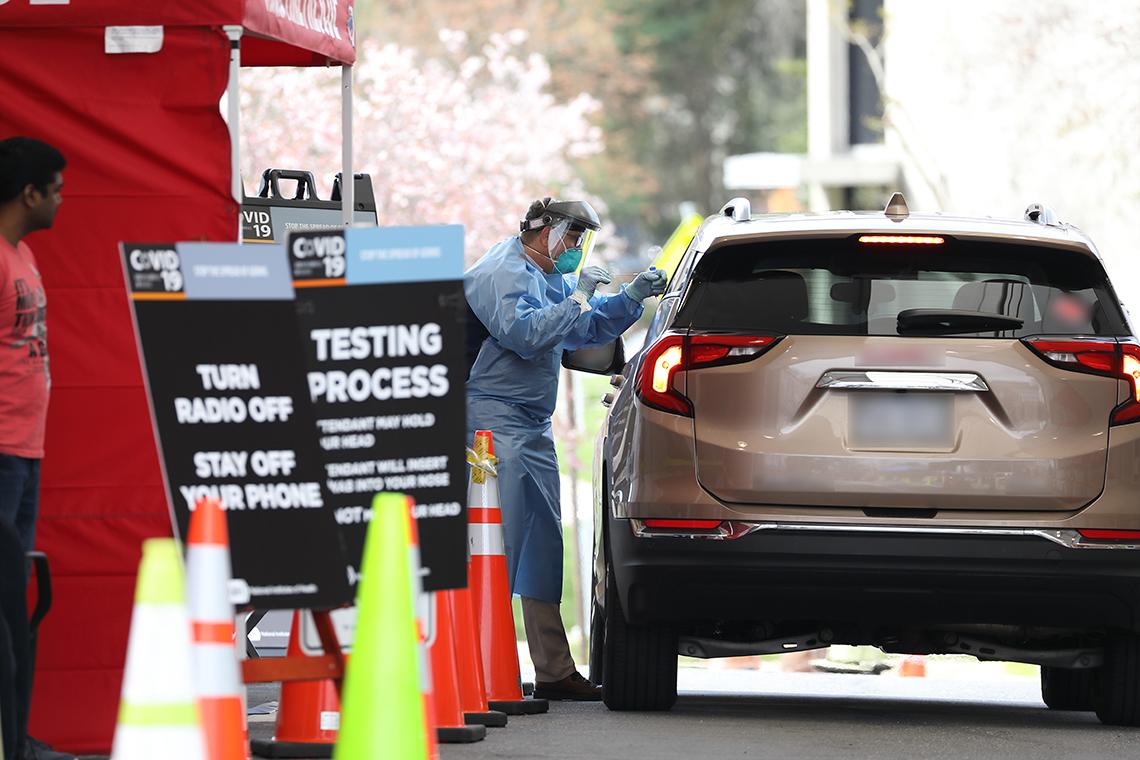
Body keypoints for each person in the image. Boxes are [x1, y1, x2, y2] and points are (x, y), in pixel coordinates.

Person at [465, 197, 667, 700]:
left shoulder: (547, 272)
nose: (578, 248)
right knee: (496, 543)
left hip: (531, 424)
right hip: (488, 424)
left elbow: (582, 328)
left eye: (582, 239)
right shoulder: (502, 270)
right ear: (545, 230)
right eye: (573, 237)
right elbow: (526, 335)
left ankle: (553, 671)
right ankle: (479, 670)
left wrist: (630, 298)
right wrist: (577, 297)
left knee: (540, 544)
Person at [0, 137, 75, 760]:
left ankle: (14, 738)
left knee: (18, 597)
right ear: (29, 193)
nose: (60, 200)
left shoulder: (20, 254)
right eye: (54, 188)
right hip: (0, 453)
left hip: (26, 452)